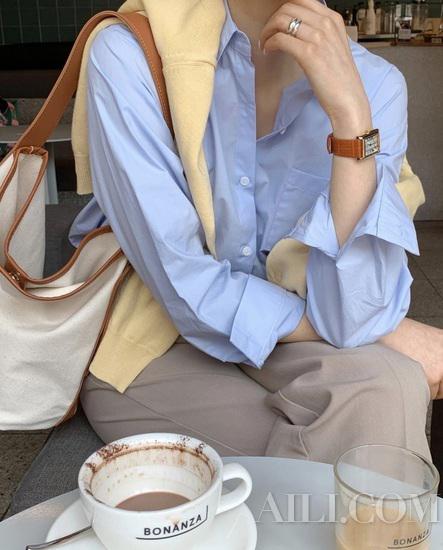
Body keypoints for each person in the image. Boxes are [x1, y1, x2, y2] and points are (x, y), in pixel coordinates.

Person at [67, 0, 442, 464]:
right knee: (368, 427)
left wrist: (350, 118)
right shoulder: (131, 54)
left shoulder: (374, 85)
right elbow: (183, 284)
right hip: (155, 339)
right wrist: (386, 331)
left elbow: (358, 311)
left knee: (385, 392)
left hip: (295, 341)